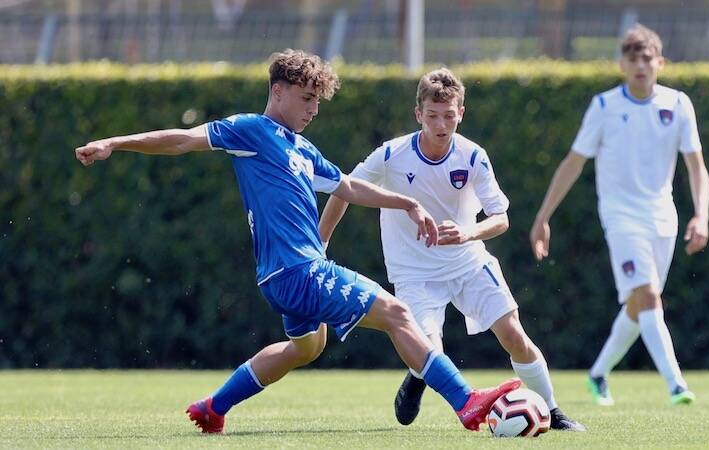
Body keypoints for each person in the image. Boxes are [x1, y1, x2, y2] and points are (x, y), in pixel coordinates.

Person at [74, 49, 521, 434]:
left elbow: (348, 187)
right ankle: (466, 402)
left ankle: (213, 408)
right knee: (398, 314)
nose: (314, 110)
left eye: (318, 101)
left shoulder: (304, 150)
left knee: (306, 347)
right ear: (278, 91)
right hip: (299, 270)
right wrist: (115, 142)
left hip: (285, 276)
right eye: (307, 98)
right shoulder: (251, 131)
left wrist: (407, 203)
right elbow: (182, 140)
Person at [319, 68, 584, 431]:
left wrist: (467, 233)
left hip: (468, 263)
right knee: (430, 352)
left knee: (514, 335)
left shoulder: (473, 156)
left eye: (449, 115)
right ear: (418, 115)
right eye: (432, 116)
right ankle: (419, 374)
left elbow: (501, 217)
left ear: (462, 113)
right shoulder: (392, 154)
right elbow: (344, 188)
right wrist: (321, 242)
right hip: (414, 273)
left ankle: (553, 413)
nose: (441, 124)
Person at [529, 24, 709, 406]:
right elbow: (573, 163)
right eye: (633, 59)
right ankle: (677, 385)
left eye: (647, 59)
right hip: (620, 217)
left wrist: (701, 215)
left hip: (664, 218)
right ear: (622, 65)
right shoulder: (605, 106)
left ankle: (597, 373)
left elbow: (696, 166)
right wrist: (543, 215)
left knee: (640, 303)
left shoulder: (678, 105)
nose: (640, 66)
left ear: (659, 63)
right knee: (647, 297)